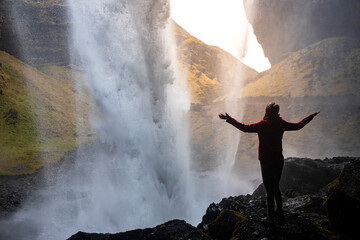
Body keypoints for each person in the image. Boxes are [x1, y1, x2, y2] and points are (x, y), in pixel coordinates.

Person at [219, 102, 319, 225]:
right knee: (276, 186)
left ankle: (270, 218)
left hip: (266, 161)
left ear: (267, 112)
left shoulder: (263, 125)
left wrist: (229, 119)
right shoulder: (280, 123)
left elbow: (244, 128)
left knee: (269, 190)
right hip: (278, 160)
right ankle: (280, 213)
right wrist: (311, 117)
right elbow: (298, 126)